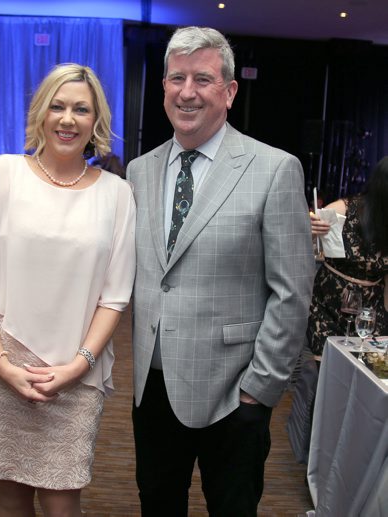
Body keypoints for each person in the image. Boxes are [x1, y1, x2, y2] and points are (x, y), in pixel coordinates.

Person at [126, 26, 315, 516]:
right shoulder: (138, 171)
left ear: (229, 92)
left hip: (233, 394)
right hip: (153, 386)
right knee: (157, 505)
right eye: (177, 78)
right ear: (164, 86)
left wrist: (261, 388)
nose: (187, 92)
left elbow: (292, 291)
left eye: (203, 79)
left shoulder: (273, 169)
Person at [0, 63, 136, 517]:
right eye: (57, 106)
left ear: (96, 122)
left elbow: (114, 297)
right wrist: (1, 364)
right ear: (41, 113)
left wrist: (79, 365)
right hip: (0, 361)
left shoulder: (117, 194)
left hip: (73, 374)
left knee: (62, 498)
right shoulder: (2, 173)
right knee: (11, 497)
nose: (67, 119)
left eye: (81, 109)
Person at [308, 156, 388, 358]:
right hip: (328, 305)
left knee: (367, 372)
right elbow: (304, 247)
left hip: (370, 314)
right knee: (325, 371)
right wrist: (309, 230)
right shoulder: (344, 209)